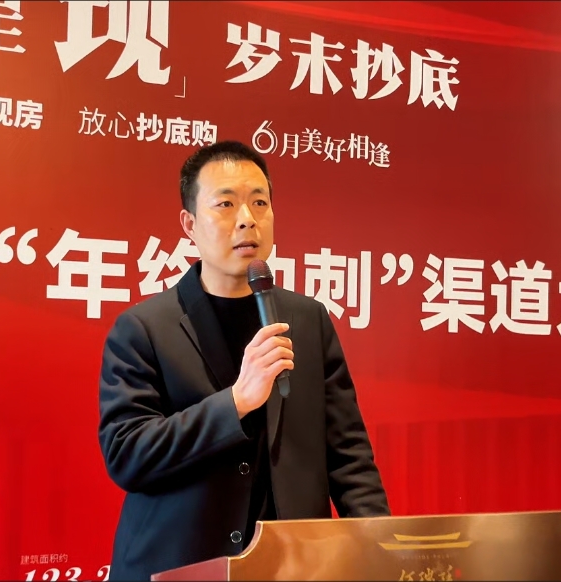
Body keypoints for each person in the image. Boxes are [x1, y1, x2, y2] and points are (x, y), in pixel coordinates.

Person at [97, 140, 389, 581]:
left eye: (259, 202)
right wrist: (234, 402)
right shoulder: (144, 328)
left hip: (291, 567)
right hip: (179, 566)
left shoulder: (307, 320)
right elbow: (127, 454)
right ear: (190, 224)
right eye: (226, 204)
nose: (247, 218)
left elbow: (349, 457)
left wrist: (381, 550)